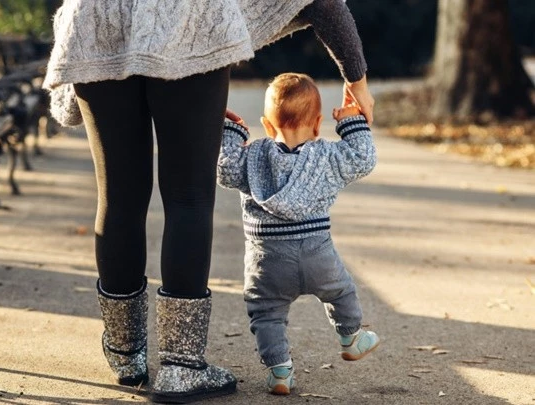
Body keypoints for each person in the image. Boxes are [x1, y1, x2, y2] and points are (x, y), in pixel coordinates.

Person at [43, 0, 374, 402]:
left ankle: (125, 355)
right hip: (189, 20)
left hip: (97, 19)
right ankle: (181, 367)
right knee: (188, 197)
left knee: (119, 196)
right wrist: (356, 82)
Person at [217, 73, 380, 395]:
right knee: (341, 291)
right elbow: (363, 158)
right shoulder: (328, 158)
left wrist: (230, 131)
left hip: (267, 260)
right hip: (318, 255)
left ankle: (279, 370)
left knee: (266, 313)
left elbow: (224, 168)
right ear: (318, 125)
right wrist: (352, 123)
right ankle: (351, 336)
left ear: (266, 125)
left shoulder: (252, 158)